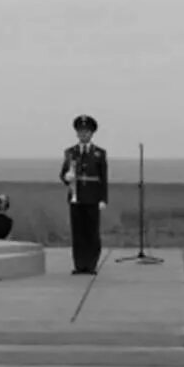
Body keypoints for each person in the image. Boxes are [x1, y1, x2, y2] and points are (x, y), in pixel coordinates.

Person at [59, 114, 107, 274]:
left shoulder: (99, 153)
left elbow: (103, 178)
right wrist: (67, 177)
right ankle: (80, 265)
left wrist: (103, 199)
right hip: (76, 197)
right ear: (77, 133)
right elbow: (63, 173)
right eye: (81, 131)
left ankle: (91, 264)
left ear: (92, 133)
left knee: (92, 233)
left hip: (92, 198)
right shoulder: (70, 152)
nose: (83, 134)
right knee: (78, 233)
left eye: (86, 132)